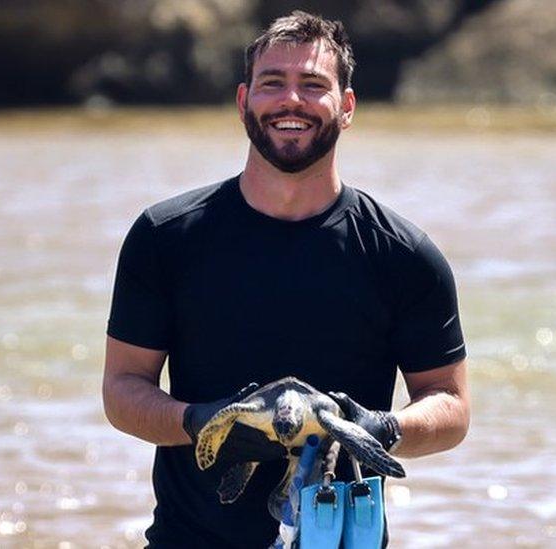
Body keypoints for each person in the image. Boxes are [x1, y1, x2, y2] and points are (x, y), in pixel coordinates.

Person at [102, 11, 469, 548]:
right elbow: (122, 390)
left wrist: (381, 428)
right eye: (273, 83)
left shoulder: (403, 254)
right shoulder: (166, 237)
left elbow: (451, 406)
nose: (291, 101)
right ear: (243, 100)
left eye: (313, 85)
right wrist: (207, 423)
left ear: (346, 107)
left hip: (341, 539)